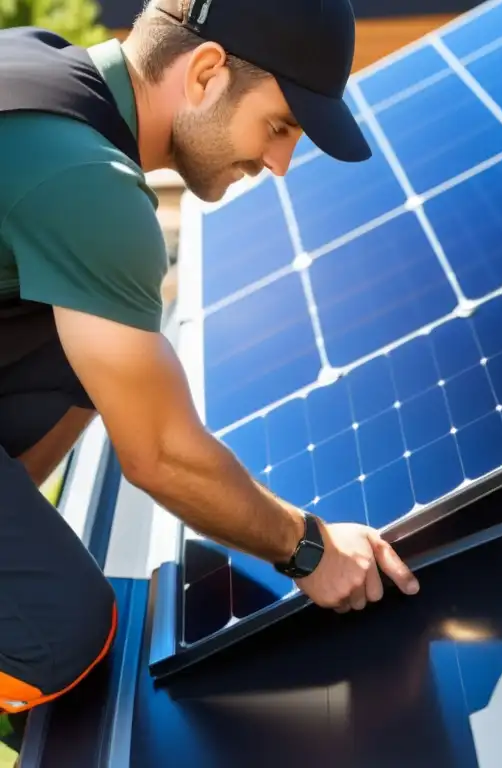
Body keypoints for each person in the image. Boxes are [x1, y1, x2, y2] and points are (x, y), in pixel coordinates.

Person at [0, 0, 420, 742]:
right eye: (281, 126)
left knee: (95, 351)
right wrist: (309, 547)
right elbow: (159, 456)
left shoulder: (38, 69)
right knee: (60, 633)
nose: (281, 163)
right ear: (204, 74)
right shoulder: (88, 186)